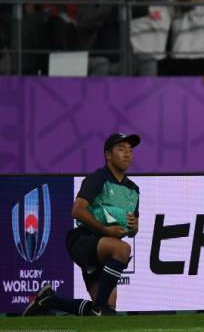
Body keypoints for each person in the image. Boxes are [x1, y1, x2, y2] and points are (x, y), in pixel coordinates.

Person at [23, 133, 140, 317]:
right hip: (85, 240)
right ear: (108, 155)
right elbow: (77, 210)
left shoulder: (133, 190)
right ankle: (99, 307)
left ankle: (48, 301)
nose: (127, 154)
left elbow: (133, 229)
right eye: (121, 149)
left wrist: (133, 227)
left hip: (106, 249)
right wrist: (105, 230)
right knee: (123, 250)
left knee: (104, 312)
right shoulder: (98, 178)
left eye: (130, 151)